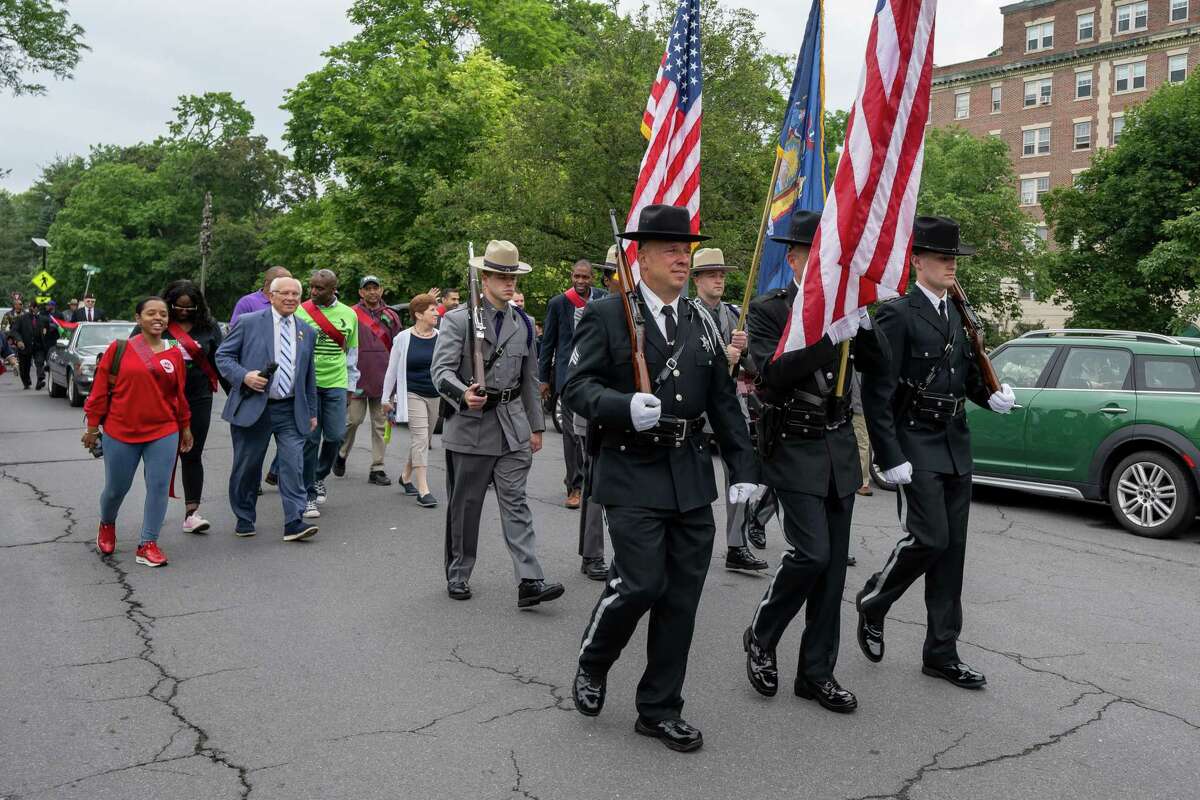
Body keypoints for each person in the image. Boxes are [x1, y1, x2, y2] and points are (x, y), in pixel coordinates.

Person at [565, 204, 757, 753]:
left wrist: (743, 469)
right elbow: (575, 385)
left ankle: (659, 708)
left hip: (689, 474)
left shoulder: (699, 320)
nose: (681, 257)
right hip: (631, 469)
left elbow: (723, 401)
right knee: (640, 583)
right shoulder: (607, 315)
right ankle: (594, 660)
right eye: (670, 249)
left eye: (686, 249)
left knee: (681, 599)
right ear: (640, 256)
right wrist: (624, 405)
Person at [856, 216, 1016, 690]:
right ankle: (874, 601)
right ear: (917, 261)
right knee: (929, 539)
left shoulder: (958, 315)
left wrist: (991, 396)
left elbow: (967, 379)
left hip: (953, 444)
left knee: (953, 554)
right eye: (944, 258)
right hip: (914, 445)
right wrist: (889, 454)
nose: (951, 266)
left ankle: (942, 652)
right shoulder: (897, 314)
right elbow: (877, 392)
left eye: (954, 259)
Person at [740, 210, 890, 714]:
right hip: (793, 447)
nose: (827, 265)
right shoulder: (770, 311)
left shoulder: (845, 311)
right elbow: (772, 374)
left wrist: (861, 323)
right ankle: (762, 633)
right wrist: (828, 336)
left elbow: (883, 365)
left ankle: (816, 672)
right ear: (795, 258)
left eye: (834, 257)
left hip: (839, 450)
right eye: (817, 255)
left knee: (831, 573)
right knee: (811, 555)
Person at [431, 239, 564, 608]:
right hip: (472, 426)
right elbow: (439, 371)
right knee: (466, 507)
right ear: (484, 278)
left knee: (516, 503)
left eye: (514, 278)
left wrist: (536, 426)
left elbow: (530, 378)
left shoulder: (522, 322)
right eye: (502, 277)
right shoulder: (458, 319)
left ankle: (529, 580)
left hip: (512, 426)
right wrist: (462, 394)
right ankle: (458, 572)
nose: (510, 284)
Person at [83, 297, 193, 567]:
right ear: (138, 318)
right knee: (116, 488)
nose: (158, 318)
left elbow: (179, 394)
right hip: (121, 431)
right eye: (151, 313)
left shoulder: (174, 351)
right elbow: (99, 391)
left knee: (158, 487)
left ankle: (148, 543)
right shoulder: (118, 349)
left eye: (163, 314)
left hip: (163, 430)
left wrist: (185, 426)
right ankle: (107, 524)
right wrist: (92, 428)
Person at [215, 276, 319, 542]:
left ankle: (294, 521)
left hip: (290, 409)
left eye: (295, 294)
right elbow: (223, 356)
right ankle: (244, 515)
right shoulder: (249, 323)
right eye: (284, 293)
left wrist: (312, 411)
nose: (290, 298)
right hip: (254, 406)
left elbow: (308, 375)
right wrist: (244, 376)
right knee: (247, 466)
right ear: (271, 296)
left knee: (293, 464)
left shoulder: (306, 331)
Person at [690, 247, 768, 573]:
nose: (719, 279)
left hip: (729, 407)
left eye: (721, 274)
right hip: (697, 406)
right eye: (711, 274)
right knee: (693, 478)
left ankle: (736, 544)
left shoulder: (735, 314)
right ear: (696, 279)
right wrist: (725, 357)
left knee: (739, 473)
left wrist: (745, 349)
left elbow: (752, 367)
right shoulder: (687, 314)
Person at [539, 259, 608, 509]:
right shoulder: (559, 303)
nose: (580, 281)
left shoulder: (601, 299)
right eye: (576, 277)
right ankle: (574, 486)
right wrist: (543, 379)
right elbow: (548, 343)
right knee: (570, 433)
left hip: (596, 375)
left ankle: (594, 481)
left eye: (585, 277)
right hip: (567, 377)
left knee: (592, 430)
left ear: (592, 277)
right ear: (571, 276)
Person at [161, 280, 228, 535]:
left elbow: (221, 361)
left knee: (192, 453)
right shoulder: (157, 323)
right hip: (163, 398)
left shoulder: (208, 327)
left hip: (199, 396)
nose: (185, 312)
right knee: (161, 456)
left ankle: (192, 514)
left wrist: (236, 396)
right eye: (179, 307)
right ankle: (154, 509)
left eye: (190, 308)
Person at [295, 269, 359, 518]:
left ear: (334, 289)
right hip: (308, 384)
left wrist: (351, 386)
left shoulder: (349, 314)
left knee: (335, 435)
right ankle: (308, 493)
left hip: (337, 382)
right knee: (310, 439)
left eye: (319, 288)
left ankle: (319, 475)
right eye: (311, 287)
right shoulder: (301, 310)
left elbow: (352, 352)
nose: (313, 292)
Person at [335, 275, 402, 486]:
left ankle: (377, 467)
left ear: (381, 290)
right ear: (361, 292)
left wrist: (397, 379)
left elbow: (398, 346)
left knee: (380, 424)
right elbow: (342, 345)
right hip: (357, 377)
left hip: (383, 378)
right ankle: (341, 453)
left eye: (376, 288)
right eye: (368, 288)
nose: (372, 292)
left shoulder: (391, 316)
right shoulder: (350, 314)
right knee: (352, 421)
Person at [381, 293, 441, 507]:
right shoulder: (403, 338)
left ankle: (405, 476)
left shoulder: (441, 337)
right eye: (432, 309)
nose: (437, 312)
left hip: (435, 395)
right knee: (420, 439)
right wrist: (385, 397)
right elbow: (391, 370)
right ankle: (423, 490)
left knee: (423, 439)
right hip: (412, 392)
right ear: (418, 314)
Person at [9, 302, 50, 390]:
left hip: (38, 346)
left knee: (39, 362)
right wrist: (19, 341)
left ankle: (40, 380)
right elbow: (14, 331)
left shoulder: (43, 319)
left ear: (38, 308)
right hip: (25, 345)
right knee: (24, 367)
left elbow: (49, 328)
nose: (34, 309)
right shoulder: (22, 318)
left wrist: (46, 332)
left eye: (36, 307)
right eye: (32, 307)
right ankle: (26, 382)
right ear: (30, 308)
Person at [851, 373, 872, 496]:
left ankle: (863, 482)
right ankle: (862, 482)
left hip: (858, 408)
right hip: (856, 407)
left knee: (862, 444)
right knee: (862, 444)